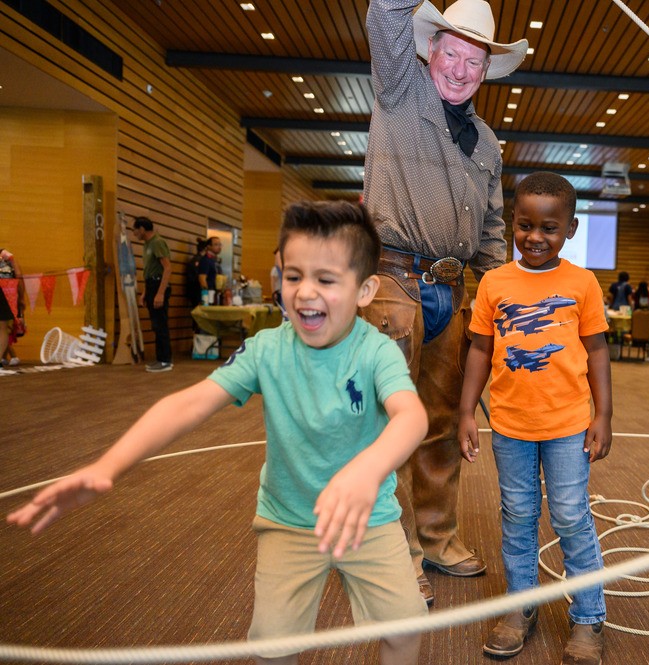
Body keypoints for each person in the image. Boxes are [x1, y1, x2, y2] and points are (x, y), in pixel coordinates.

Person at [8, 201, 430, 665]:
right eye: (293, 276)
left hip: (369, 519)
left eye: (326, 280)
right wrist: (108, 466)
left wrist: (366, 472)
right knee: (273, 646)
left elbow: (410, 416)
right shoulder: (266, 349)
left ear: (365, 290)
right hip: (289, 520)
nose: (305, 292)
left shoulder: (376, 352)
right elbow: (187, 404)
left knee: (405, 626)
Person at [360, 0, 529, 604]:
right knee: (386, 427)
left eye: (474, 61)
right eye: (452, 53)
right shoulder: (399, 88)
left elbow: (490, 229)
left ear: (486, 70)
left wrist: (491, 295)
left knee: (438, 422)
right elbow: (385, 13)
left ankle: (435, 537)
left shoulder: (486, 141)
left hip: (453, 296)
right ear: (430, 50)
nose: (460, 69)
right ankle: (390, 553)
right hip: (392, 285)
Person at [457, 172, 611, 665]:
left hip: (568, 424)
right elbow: (480, 348)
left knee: (570, 515)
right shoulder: (494, 283)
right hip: (510, 425)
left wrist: (603, 413)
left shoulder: (582, 283)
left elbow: (598, 351)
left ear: (571, 228)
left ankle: (588, 616)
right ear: (511, 225)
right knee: (518, 517)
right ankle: (521, 607)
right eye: (524, 225)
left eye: (549, 227)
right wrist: (466, 411)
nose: (535, 237)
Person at [131, 217, 173, 372]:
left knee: (160, 324)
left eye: (134, 229)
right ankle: (160, 359)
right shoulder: (148, 244)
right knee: (156, 325)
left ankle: (165, 361)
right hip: (151, 285)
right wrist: (145, 292)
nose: (134, 233)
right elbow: (150, 271)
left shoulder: (157, 242)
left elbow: (167, 268)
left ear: (142, 229)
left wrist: (160, 293)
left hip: (158, 286)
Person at [0, 248, 26, 367]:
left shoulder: (6, 256)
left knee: (6, 329)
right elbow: (19, 276)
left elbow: (19, 277)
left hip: (8, 297)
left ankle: (7, 356)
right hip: (8, 297)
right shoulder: (7, 256)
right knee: (4, 328)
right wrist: (21, 298)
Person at [198, 236, 223, 305]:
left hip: (215, 295)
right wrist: (206, 299)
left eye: (220, 244)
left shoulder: (215, 261)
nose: (219, 247)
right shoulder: (205, 260)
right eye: (216, 244)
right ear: (209, 246)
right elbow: (202, 279)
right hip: (209, 295)